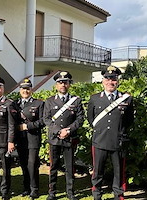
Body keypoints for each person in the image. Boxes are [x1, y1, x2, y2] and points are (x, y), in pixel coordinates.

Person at [88, 66, 134, 200]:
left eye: (113, 79)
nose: (110, 82)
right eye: (107, 79)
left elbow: (129, 120)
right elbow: (91, 119)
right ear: (103, 81)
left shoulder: (126, 99)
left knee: (118, 171)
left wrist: (120, 132)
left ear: (117, 81)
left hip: (118, 141)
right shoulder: (94, 98)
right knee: (97, 171)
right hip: (100, 140)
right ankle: (97, 194)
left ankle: (118, 194)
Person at [43, 71, 84, 200]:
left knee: (70, 166)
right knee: (53, 166)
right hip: (55, 138)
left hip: (69, 138)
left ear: (69, 84)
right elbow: (46, 119)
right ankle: (52, 192)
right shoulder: (49, 101)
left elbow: (80, 118)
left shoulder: (76, 101)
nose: (63, 85)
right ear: (56, 85)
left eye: (65, 82)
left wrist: (69, 130)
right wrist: (58, 131)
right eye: (60, 82)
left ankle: (70, 192)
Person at [15, 79, 44, 199]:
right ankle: (26, 187)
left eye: (27, 88)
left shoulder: (39, 104)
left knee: (32, 164)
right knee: (23, 164)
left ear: (31, 90)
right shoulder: (15, 104)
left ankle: (34, 189)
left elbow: (43, 121)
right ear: (20, 90)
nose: (25, 91)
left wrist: (28, 126)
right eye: (23, 89)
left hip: (33, 138)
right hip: (20, 139)